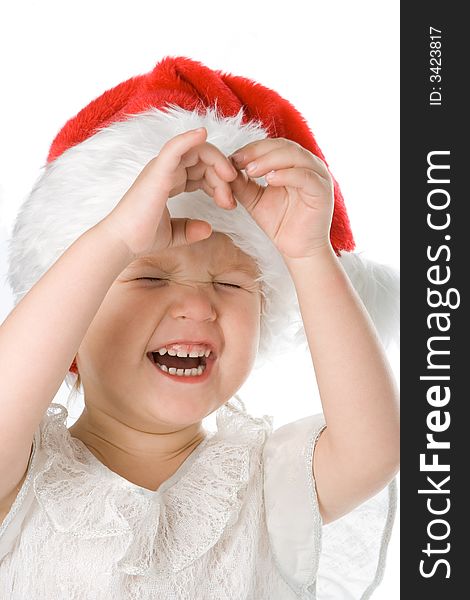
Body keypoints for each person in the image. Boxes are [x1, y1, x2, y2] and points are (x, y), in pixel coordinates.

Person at [0, 56, 399, 598]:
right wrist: (115, 235)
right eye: (150, 279)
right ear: (73, 310)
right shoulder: (21, 480)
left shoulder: (265, 487)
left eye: (231, 286)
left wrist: (307, 254)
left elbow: (373, 448)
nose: (198, 308)